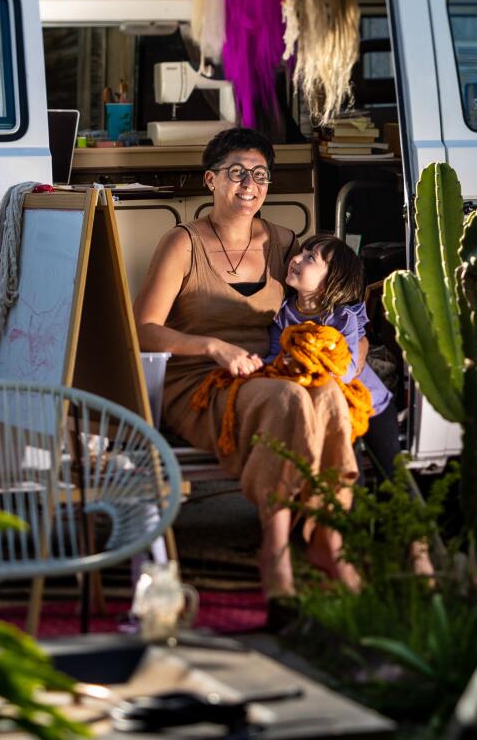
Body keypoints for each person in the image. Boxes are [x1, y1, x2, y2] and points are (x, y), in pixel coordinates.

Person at [133, 127, 362, 600]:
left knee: (330, 399)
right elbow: (144, 328)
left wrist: (350, 359)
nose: (249, 184)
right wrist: (213, 346)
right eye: (236, 172)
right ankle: (275, 549)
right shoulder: (183, 244)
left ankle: (327, 534)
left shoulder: (284, 244)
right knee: (290, 402)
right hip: (197, 380)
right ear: (211, 180)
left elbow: (334, 307)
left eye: (260, 175)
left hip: (269, 373)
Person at [272, 234, 399, 472]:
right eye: (301, 252)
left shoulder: (342, 318)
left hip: (372, 404)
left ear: (332, 280)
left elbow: (347, 370)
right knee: (346, 470)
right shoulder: (284, 314)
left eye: (310, 257)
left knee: (393, 473)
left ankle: (407, 508)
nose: (296, 259)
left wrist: (302, 363)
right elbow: (273, 357)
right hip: (331, 408)